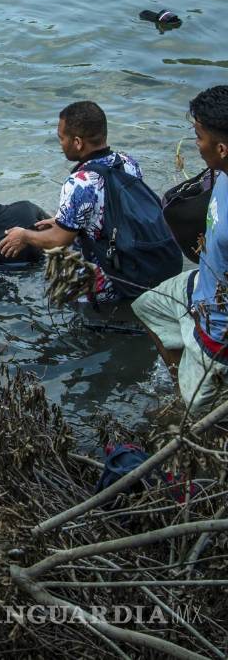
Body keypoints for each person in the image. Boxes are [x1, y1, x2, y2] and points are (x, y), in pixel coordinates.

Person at [0, 101, 176, 303]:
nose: (60, 144)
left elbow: (59, 240)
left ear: (78, 142)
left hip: (113, 278)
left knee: (61, 298)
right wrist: (61, 220)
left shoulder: (79, 182)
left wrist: (24, 236)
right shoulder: (127, 162)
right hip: (141, 260)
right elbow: (111, 209)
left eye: (61, 138)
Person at [133, 86, 228, 416]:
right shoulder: (221, 171)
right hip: (201, 283)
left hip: (218, 327)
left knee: (197, 413)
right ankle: (178, 379)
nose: (195, 145)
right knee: (148, 305)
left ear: (222, 147)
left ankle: (199, 406)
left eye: (199, 137)